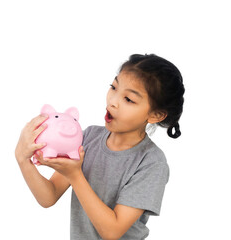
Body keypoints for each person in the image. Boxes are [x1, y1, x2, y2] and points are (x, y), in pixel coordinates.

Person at [15, 54, 185, 240]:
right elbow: (49, 196)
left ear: (155, 115)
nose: (113, 101)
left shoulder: (151, 163)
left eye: (128, 99)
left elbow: (112, 231)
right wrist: (23, 159)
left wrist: (75, 175)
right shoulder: (89, 137)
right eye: (113, 87)